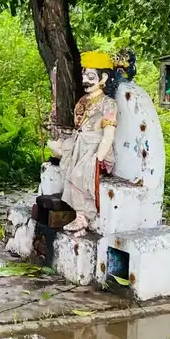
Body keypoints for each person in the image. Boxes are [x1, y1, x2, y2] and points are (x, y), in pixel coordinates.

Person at [48, 51, 117, 233]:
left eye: (90, 76)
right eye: (84, 75)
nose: (85, 79)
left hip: (94, 147)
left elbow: (109, 133)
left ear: (103, 77)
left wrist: (99, 156)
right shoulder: (83, 101)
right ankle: (75, 211)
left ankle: (82, 216)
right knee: (61, 157)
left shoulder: (108, 104)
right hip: (79, 144)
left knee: (79, 174)